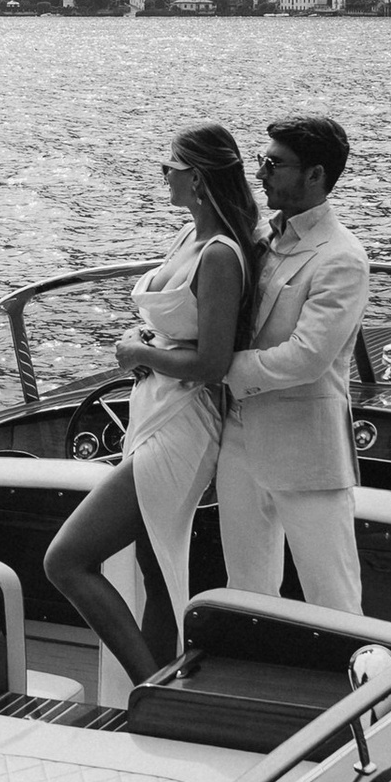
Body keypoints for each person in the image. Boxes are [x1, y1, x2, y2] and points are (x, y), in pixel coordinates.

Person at [44, 127, 263, 688]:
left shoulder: (219, 256)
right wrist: (152, 345)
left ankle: (150, 690)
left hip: (183, 423)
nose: (162, 174)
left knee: (65, 561)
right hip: (155, 411)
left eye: (170, 165)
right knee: (154, 564)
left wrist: (140, 351)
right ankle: (166, 684)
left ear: (197, 177)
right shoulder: (189, 236)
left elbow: (214, 362)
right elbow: (183, 332)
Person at [217, 115, 371, 616]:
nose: (260, 174)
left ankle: (370, 695)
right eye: (262, 161)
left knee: (334, 599)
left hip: (306, 452)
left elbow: (308, 357)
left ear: (315, 175)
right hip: (239, 442)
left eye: (273, 164)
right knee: (246, 591)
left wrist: (216, 367)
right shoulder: (261, 239)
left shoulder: (342, 257)